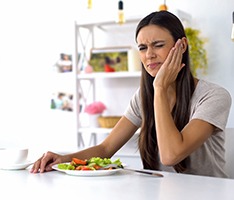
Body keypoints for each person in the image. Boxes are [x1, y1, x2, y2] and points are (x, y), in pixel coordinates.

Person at [31, 11, 232, 178]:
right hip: (161, 191)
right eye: (143, 48)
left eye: (158, 45)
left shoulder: (214, 96)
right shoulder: (142, 97)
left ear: (182, 46)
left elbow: (171, 156)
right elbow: (105, 149)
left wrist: (160, 88)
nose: (149, 55)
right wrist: (62, 159)